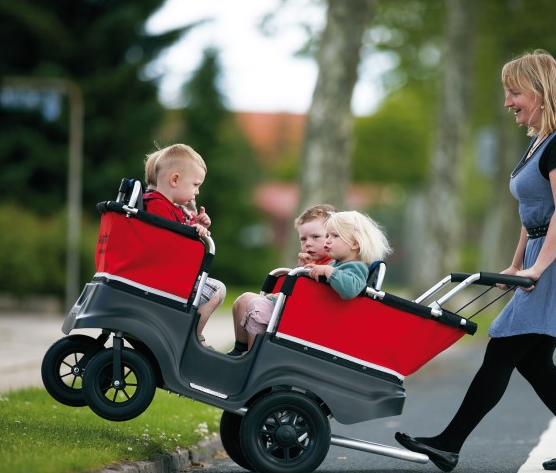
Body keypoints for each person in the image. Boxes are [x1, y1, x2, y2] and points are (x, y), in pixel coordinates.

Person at [395, 49, 556, 473]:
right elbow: (533, 213)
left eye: (514, 92)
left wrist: (537, 268)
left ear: (541, 90)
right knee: (532, 359)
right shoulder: (539, 143)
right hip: (545, 253)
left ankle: (449, 443)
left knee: (503, 350)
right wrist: (516, 266)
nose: (507, 102)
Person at [237, 210, 391, 351]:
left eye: (334, 236)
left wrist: (329, 271)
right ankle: (245, 352)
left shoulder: (356, 267)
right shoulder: (336, 264)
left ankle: (254, 356)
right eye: (328, 235)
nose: (327, 241)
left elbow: (350, 290)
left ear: (355, 243)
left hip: (319, 324)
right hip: (309, 315)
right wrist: (306, 270)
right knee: (248, 300)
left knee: (257, 306)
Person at [142, 143, 226, 349]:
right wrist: (192, 231)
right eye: (196, 185)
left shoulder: (165, 205)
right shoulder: (157, 205)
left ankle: (189, 334)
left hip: (163, 275)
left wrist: (195, 223)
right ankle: (189, 338)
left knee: (217, 289)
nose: (197, 192)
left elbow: (174, 232)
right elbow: (169, 242)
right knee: (215, 291)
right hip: (161, 278)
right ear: (175, 180)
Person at [228, 204, 337, 356]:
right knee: (243, 300)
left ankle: (253, 357)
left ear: (333, 237)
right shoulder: (312, 262)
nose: (308, 243)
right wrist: (300, 270)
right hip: (291, 311)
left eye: (315, 237)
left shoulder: (333, 267)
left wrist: (288, 289)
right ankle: (239, 350)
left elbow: (311, 298)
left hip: (303, 321)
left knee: (256, 305)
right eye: (303, 239)